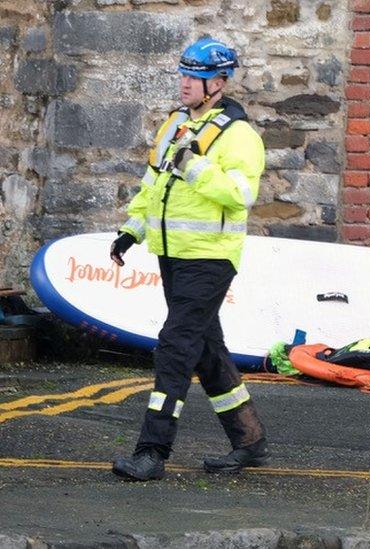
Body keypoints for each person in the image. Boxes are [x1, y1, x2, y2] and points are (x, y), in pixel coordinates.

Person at [109, 37, 268, 481]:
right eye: (182, 74)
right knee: (207, 351)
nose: (185, 84)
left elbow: (240, 196)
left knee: (175, 348)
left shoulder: (240, 136)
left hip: (210, 258)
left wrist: (194, 166)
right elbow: (152, 185)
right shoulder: (175, 125)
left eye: (194, 77)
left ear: (218, 82)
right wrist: (131, 231)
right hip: (173, 255)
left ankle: (152, 451)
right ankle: (250, 440)